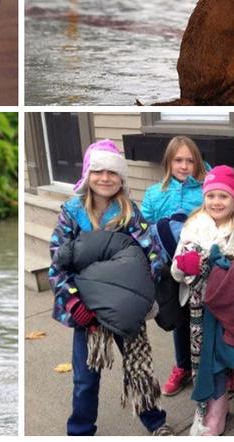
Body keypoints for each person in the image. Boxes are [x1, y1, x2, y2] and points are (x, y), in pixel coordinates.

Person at [47, 140, 172, 436]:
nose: (105, 178)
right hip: (86, 310)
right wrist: (74, 304)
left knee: (139, 369)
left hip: (125, 307)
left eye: (112, 173)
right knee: (86, 376)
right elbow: (58, 262)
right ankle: (80, 428)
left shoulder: (129, 213)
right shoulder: (72, 213)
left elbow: (151, 255)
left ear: (122, 178)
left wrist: (141, 295)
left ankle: (154, 420)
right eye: (98, 171)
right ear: (88, 175)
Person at [170, 165, 234, 435]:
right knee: (202, 361)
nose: (216, 202)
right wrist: (186, 266)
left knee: (220, 358)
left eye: (223, 196)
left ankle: (217, 411)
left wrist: (227, 269)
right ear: (204, 198)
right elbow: (176, 271)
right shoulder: (193, 226)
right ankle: (209, 406)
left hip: (228, 311)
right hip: (199, 309)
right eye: (211, 196)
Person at [140, 135, 209, 397]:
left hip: (200, 269)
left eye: (189, 161)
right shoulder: (154, 194)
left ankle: (208, 368)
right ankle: (182, 366)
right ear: (168, 162)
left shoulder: (204, 190)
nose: (184, 166)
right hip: (169, 270)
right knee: (179, 320)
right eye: (178, 160)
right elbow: (144, 230)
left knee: (205, 319)